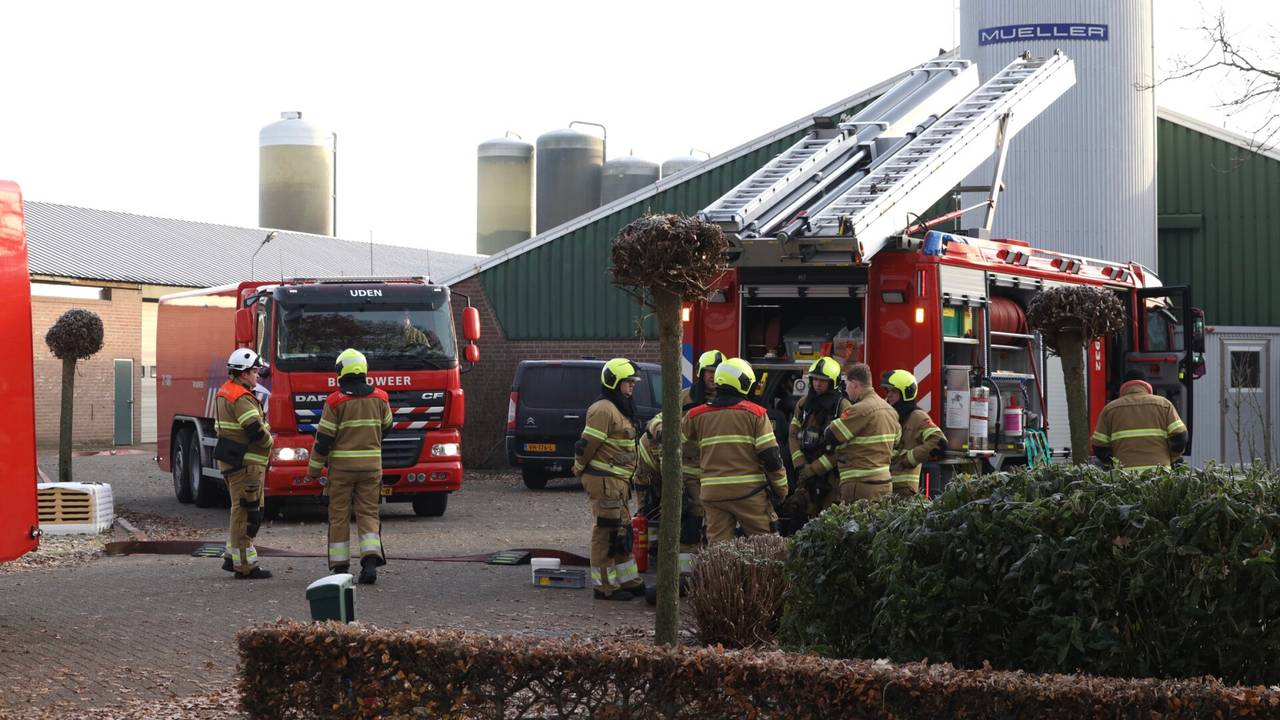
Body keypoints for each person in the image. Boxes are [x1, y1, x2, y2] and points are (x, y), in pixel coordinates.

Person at [307, 348, 394, 584]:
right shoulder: (381, 398)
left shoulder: (335, 401)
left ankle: (340, 569)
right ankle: (370, 564)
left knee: (339, 516)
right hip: (372, 468)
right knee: (368, 514)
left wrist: (313, 470)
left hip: (342, 471)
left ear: (342, 371)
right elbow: (387, 426)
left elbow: (323, 439)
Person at [682, 358, 788, 543]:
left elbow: (678, 449)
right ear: (744, 383)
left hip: (712, 494)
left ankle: (719, 573)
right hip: (749, 494)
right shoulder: (756, 414)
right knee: (767, 547)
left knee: (718, 550)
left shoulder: (695, 415)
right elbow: (771, 457)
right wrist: (781, 489)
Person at [574, 358, 646, 601]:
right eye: (628, 382)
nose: (632, 386)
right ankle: (605, 588)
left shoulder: (620, 407)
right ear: (614, 382)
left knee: (623, 532)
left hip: (618, 483)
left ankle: (628, 581)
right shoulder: (604, 409)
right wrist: (579, 468)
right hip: (605, 481)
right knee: (606, 533)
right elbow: (587, 445)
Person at [214, 348, 273, 580]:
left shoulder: (225, 392)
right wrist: (271, 441)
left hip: (235, 462)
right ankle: (245, 567)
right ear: (243, 373)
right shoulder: (241, 397)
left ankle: (232, 558)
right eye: (255, 371)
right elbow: (255, 430)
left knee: (241, 512)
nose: (257, 375)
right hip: (247, 464)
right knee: (247, 514)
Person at [635, 413, 703, 588]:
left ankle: (675, 563)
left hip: (681, 471)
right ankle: (655, 550)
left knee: (689, 517)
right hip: (652, 466)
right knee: (649, 511)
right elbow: (656, 421)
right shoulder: (686, 400)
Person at [824, 363, 901, 502]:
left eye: (847, 385)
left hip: (860, 485)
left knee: (855, 523)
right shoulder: (890, 410)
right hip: (884, 484)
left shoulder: (859, 410)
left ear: (854, 384)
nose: (846, 390)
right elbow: (897, 443)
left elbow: (831, 435)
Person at [789, 357, 852, 516]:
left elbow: (844, 446)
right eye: (815, 379)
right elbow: (792, 434)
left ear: (834, 382)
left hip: (831, 477)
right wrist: (800, 464)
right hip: (806, 474)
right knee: (803, 517)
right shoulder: (803, 404)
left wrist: (814, 468)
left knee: (829, 519)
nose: (817, 383)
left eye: (823, 380)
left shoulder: (843, 406)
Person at [1091, 370, 1189, 471]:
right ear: (1147, 386)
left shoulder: (1110, 409)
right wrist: (1171, 458)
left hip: (1125, 477)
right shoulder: (1164, 405)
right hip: (1159, 475)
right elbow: (1180, 437)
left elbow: (1099, 445)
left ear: (1124, 388)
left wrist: (1114, 464)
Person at [881, 370, 947, 497]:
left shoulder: (917, 416)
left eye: (893, 391)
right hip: (885, 486)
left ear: (906, 392)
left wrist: (910, 458)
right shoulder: (889, 415)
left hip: (905, 488)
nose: (889, 395)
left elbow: (939, 442)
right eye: (887, 391)